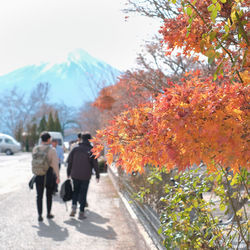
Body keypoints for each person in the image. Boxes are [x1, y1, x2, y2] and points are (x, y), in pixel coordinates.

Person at [67, 132, 100, 220]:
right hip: (86, 175)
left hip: (75, 174)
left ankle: (74, 207)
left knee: (75, 191)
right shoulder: (91, 149)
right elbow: (95, 164)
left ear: (81, 139)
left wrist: (68, 173)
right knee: (83, 193)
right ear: (90, 140)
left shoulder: (75, 148)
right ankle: (81, 212)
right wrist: (97, 175)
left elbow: (70, 161)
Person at [34, 132, 60, 222]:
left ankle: (39, 215)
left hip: (38, 175)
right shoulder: (52, 150)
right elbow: (55, 165)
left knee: (39, 196)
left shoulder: (35, 149)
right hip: (48, 175)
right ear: (49, 139)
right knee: (49, 195)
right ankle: (48, 214)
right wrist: (58, 176)